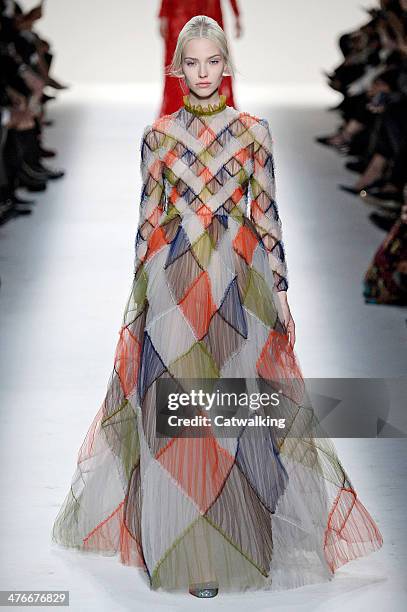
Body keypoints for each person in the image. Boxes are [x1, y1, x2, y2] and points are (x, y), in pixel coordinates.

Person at [51, 15, 383, 599]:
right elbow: (148, 218)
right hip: (176, 280)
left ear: (226, 67)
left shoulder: (254, 132)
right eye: (193, 63)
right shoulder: (159, 136)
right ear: (177, 70)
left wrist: (280, 289)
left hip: (240, 279)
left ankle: (248, 535)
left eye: (213, 61)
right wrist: (139, 292)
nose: (203, 73)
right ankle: (195, 552)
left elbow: (269, 215)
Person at [157, 0, 241, 116]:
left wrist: (236, 13)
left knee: (211, 55)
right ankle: (180, 115)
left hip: (205, 8)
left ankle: (211, 113)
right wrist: (164, 13)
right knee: (180, 60)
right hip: (182, 10)